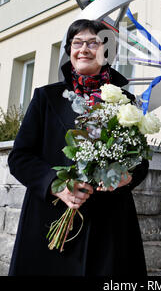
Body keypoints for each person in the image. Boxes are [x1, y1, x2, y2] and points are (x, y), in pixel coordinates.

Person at [8, 19, 149, 277]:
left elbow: (140, 161)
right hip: (51, 217)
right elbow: (20, 158)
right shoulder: (45, 97)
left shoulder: (127, 102)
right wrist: (58, 185)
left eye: (93, 42)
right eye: (76, 43)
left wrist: (126, 177)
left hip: (109, 225)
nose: (83, 48)